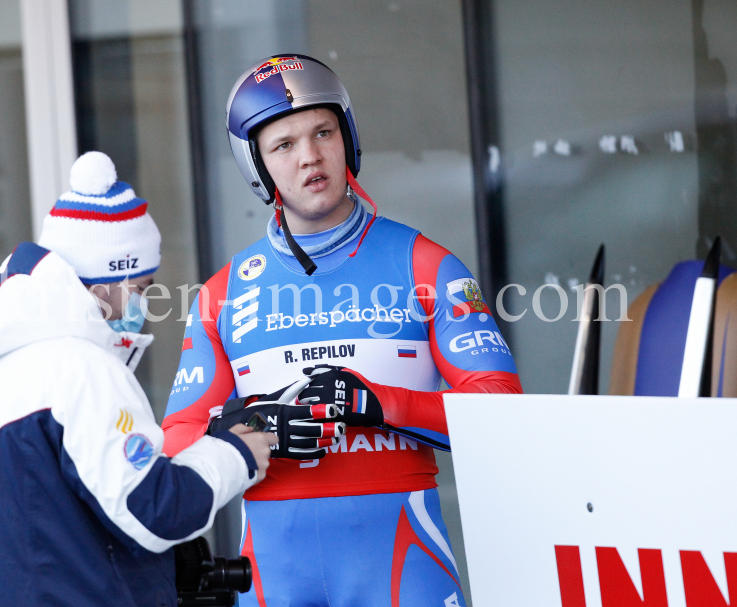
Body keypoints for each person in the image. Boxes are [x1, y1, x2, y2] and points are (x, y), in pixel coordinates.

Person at [162, 55, 523, 606]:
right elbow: (176, 444)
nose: (310, 156)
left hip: (402, 567)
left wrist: (381, 403)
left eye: (323, 132)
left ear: (347, 138)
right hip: (272, 577)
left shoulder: (426, 266)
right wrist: (252, 427)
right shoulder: (223, 293)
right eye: (283, 145)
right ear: (256, 165)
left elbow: (504, 413)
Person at [0, 151, 278, 607]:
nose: (145, 305)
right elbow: (153, 511)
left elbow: (45, 516)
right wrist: (234, 454)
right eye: (142, 287)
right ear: (102, 283)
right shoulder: (82, 370)